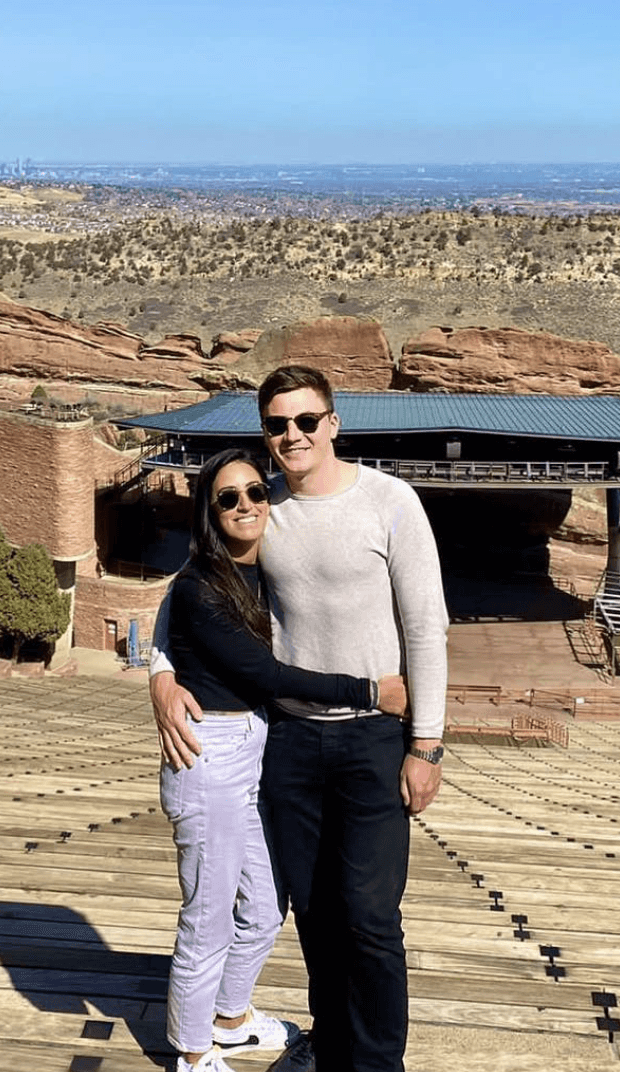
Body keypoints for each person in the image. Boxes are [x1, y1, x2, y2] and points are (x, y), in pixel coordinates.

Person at [153, 365, 450, 1072]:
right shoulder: (260, 504)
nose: (292, 435)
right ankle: (335, 1046)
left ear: (333, 424)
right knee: (314, 914)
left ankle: (377, 1064)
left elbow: (427, 628)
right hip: (286, 742)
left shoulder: (391, 501)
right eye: (277, 425)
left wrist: (427, 746)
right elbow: (187, 591)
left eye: (306, 421)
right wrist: (161, 678)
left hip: (374, 740)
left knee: (371, 920)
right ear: (264, 433)